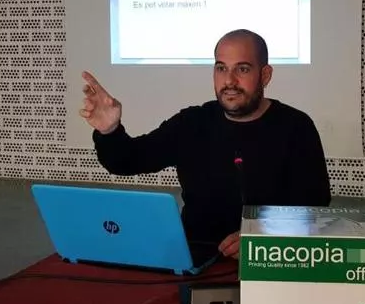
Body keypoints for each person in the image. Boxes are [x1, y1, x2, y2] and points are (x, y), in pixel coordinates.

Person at [79, 29, 332, 259]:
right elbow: (128, 160)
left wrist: (263, 234)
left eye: (242, 69)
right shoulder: (192, 122)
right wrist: (109, 131)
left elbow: (314, 206)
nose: (229, 81)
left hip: (269, 259)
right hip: (194, 259)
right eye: (221, 68)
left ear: (265, 75)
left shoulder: (296, 127)